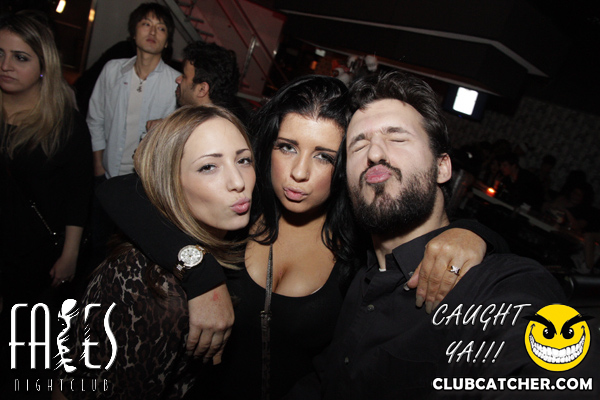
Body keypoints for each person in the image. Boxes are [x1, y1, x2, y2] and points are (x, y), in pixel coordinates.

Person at [98, 75, 507, 399]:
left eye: (324, 156)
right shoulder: (238, 208)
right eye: (288, 147)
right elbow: (117, 191)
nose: (299, 173)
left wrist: (474, 233)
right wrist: (200, 272)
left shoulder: (360, 246)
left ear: (346, 166)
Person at [285, 71, 595, 399]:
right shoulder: (358, 276)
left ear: (443, 167)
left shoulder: (492, 286)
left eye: (397, 138)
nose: (374, 153)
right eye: (358, 144)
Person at [54, 105, 255, 399]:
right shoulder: (157, 295)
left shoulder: (230, 231)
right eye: (208, 167)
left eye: (244, 160)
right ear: (170, 182)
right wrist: (202, 273)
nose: (238, 182)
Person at [0, 11, 92, 395]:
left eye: (20, 57)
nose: (6, 65)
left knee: (21, 342)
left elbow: (79, 193)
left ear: (43, 66)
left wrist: (70, 253)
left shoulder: (65, 123)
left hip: (32, 252)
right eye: (0, 53)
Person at [88, 2, 179, 180]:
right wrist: (98, 166)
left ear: (167, 41)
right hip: (108, 173)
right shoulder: (112, 70)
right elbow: (95, 119)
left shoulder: (176, 83)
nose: (152, 32)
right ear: (133, 33)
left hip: (146, 180)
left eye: (161, 28)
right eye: (146, 24)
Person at [145, 41, 246, 131]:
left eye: (184, 76)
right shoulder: (208, 123)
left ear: (202, 89)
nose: (178, 80)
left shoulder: (205, 134)